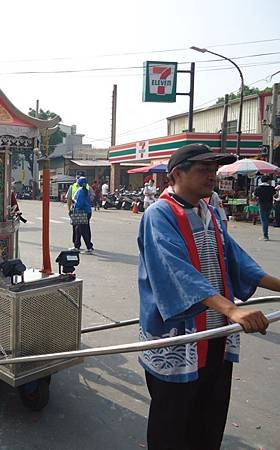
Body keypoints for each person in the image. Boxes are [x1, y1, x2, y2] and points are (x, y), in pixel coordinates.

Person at [138, 143, 280, 450]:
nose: (212, 176)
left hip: (216, 330)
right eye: (204, 169)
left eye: (214, 170)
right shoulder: (159, 214)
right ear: (177, 174)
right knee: (172, 424)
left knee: (209, 418)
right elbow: (175, 271)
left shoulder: (212, 213)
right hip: (178, 335)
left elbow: (237, 261)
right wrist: (233, 310)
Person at [71, 176, 94, 253]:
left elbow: (79, 203)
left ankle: (89, 247)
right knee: (79, 229)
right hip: (87, 211)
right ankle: (77, 246)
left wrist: (75, 208)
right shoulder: (85, 190)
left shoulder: (80, 191)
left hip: (82, 212)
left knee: (83, 230)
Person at [253, 175, 275, 241]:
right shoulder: (271, 188)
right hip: (269, 204)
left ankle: (265, 235)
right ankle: (265, 234)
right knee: (266, 219)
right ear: (268, 181)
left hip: (262, 205)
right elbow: (274, 194)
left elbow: (254, 196)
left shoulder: (258, 188)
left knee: (264, 220)